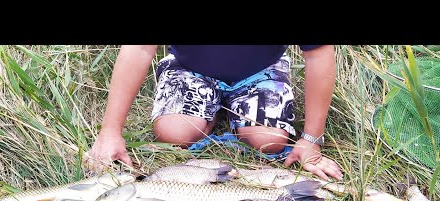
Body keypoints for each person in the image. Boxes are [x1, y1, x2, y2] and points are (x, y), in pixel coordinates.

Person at [86, 45, 343, 181]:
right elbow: (139, 48)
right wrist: (110, 132)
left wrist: (311, 140)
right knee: (173, 133)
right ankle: (210, 109)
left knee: (269, 141)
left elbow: (318, 54)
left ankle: (232, 107)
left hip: (260, 71)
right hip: (189, 67)